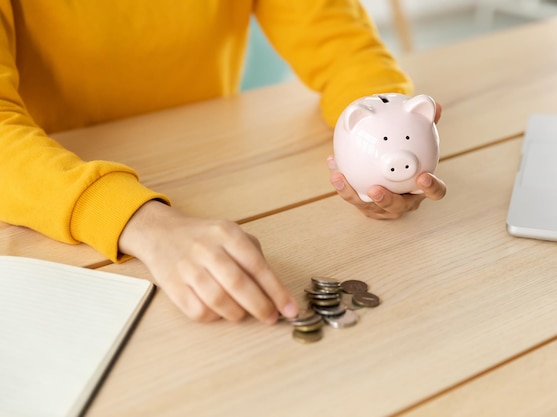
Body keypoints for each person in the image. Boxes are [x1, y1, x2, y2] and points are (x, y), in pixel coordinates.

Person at [0, 1, 446, 324]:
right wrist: (143, 223)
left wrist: (376, 139)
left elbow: (344, 45)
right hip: (45, 207)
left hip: (221, 166)